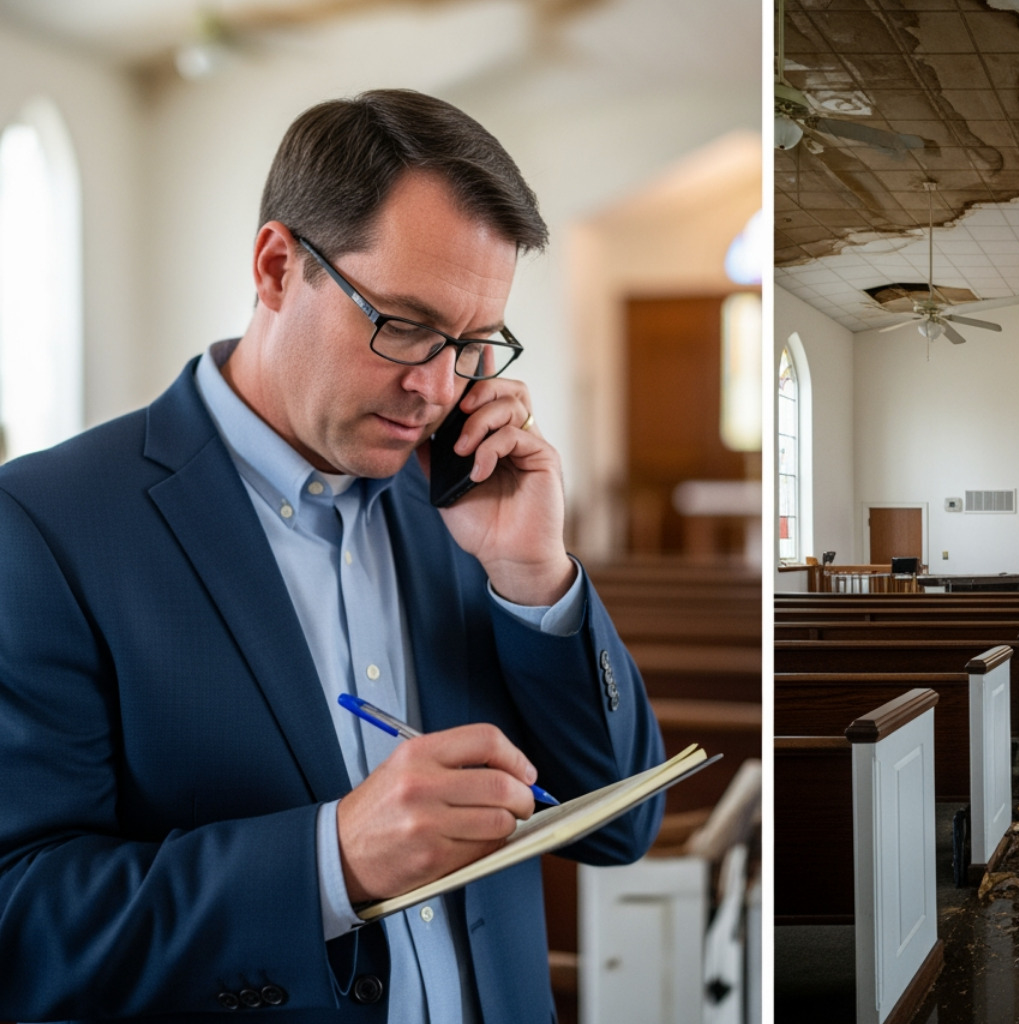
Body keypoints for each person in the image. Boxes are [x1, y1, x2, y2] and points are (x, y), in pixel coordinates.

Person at [0, 89, 664, 1022]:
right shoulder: (46, 523)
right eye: (403, 323)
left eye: (474, 345)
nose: (435, 388)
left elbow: (623, 824)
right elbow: (24, 924)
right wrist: (329, 860)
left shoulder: (467, 498)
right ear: (278, 267)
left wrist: (532, 576)